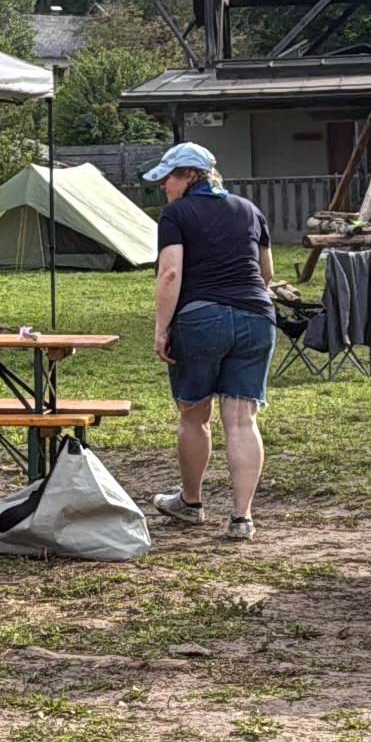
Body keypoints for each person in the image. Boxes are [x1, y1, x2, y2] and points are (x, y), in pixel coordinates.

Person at [143, 142, 275, 541]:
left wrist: (161, 329)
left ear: (189, 176)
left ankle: (191, 502)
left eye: (168, 177)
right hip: (256, 318)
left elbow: (170, 274)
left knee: (194, 414)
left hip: (201, 319)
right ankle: (242, 517)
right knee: (242, 419)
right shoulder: (249, 209)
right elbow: (266, 272)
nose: (164, 185)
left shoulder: (176, 214)